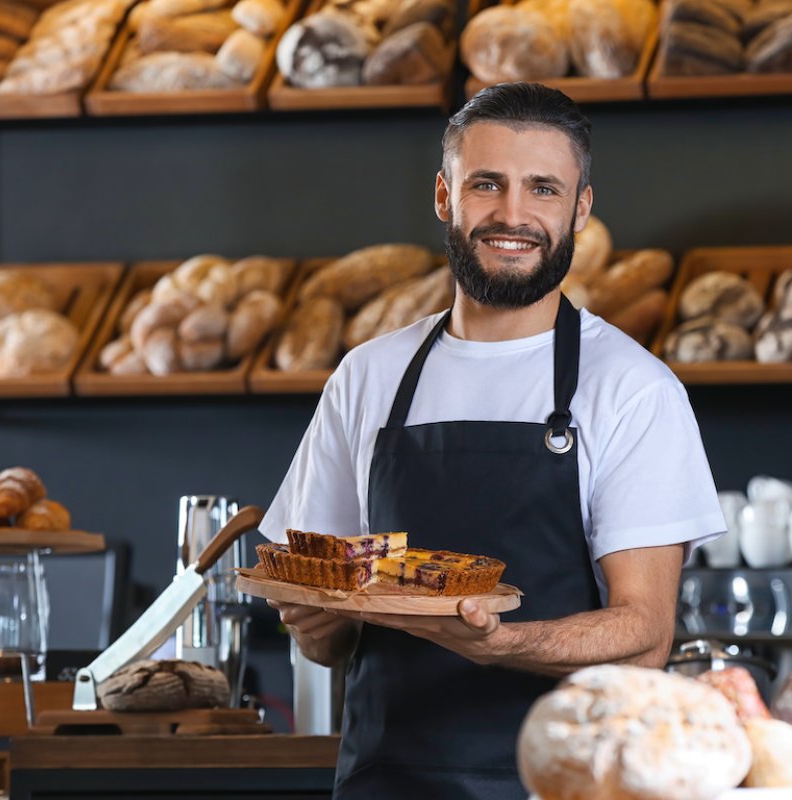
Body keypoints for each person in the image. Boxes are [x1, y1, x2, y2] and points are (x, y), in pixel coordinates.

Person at [261, 81, 726, 799]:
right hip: (385, 785)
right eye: (487, 184)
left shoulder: (632, 388)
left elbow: (645, 635)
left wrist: (498, 644)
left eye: (543, 189)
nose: (513, 214)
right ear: (445, 197)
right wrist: (311, 619)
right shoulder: (368, 377)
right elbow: (329, 634)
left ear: (580, 208)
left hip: (560, 787)